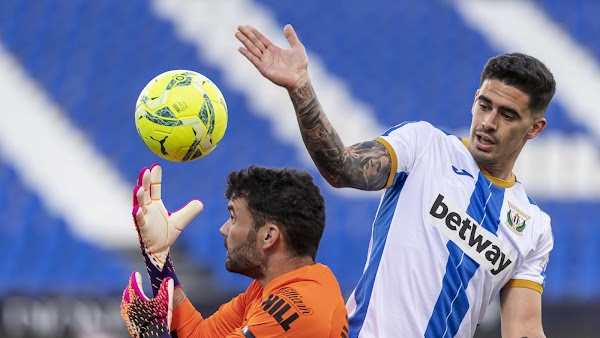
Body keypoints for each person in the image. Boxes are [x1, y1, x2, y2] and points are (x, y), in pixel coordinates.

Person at [235, 24, 556, 338]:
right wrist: (301, 87)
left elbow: (524, 329)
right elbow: (343, 168)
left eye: (508, 114)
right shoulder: (424, 145)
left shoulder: (534, 227)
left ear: (535, 127)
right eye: (484, 105)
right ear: (474, 98)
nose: (488, 122)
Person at [120, 163, 349, 338]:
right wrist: (158, 258)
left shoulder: (296, 310)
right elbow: (199, 334)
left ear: (269, 236)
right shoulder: (269, 290)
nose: (223, 229)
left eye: (233, 218)